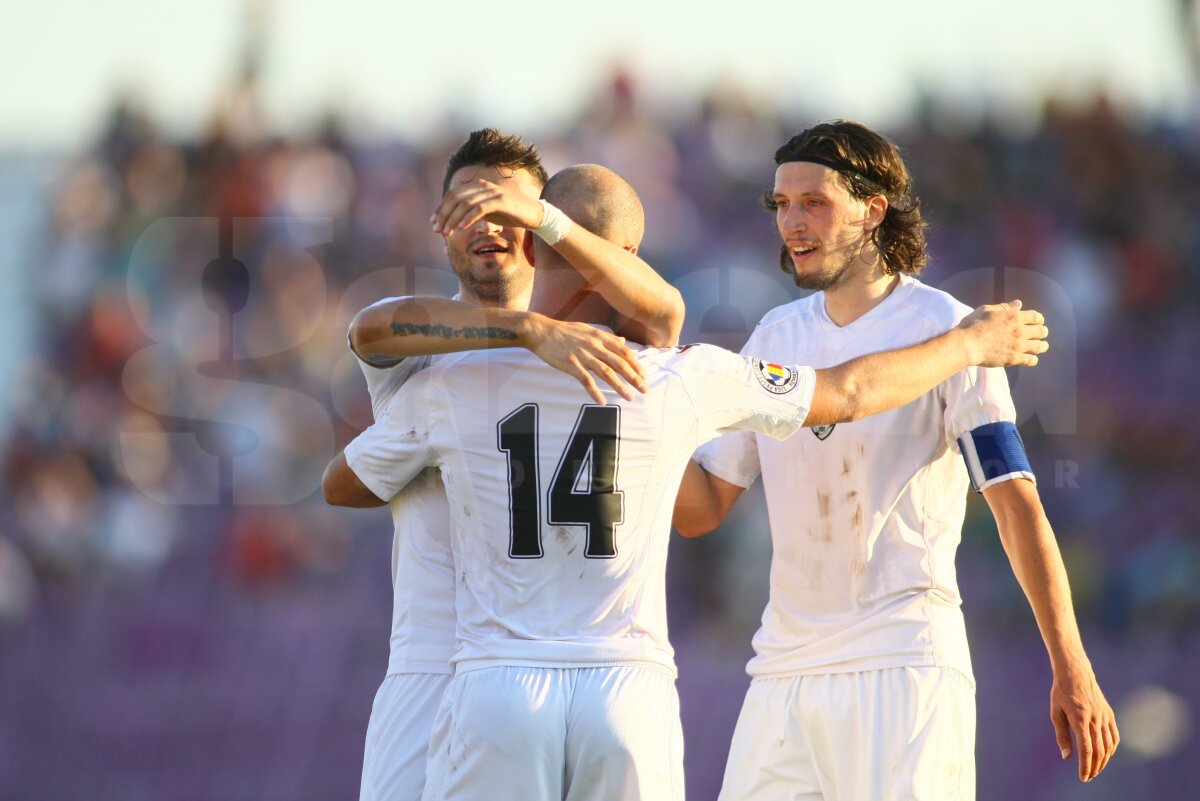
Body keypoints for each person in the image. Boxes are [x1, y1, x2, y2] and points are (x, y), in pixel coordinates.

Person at [324, 162, 1050, 801]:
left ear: (532, 247)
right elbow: (848, 390)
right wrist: (968, 344)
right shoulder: (682, 375)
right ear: (628, 255)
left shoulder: (455, 381)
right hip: (627, 688)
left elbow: (345, 478)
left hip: (495, 680)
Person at [672, 120, 1118, 801]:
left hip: (903, 662)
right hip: (784, 671)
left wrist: (1072, 663)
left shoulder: (953, 331)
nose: (792, 221)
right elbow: (703, 506)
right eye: (781, 205)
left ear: (873, 208)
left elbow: (1014, 501)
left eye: (813, 201)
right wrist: (631, 429)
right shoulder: (774, 334)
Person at [324, 128, 685, 801]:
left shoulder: (594, 342)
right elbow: (369, 329)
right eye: (464, 208)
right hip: (431, 661)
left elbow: (667, 314)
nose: (486, 224)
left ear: (544, 229)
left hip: (564, 665)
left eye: (507, 209)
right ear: (441, 229)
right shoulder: (420, 340)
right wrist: (524, 328)